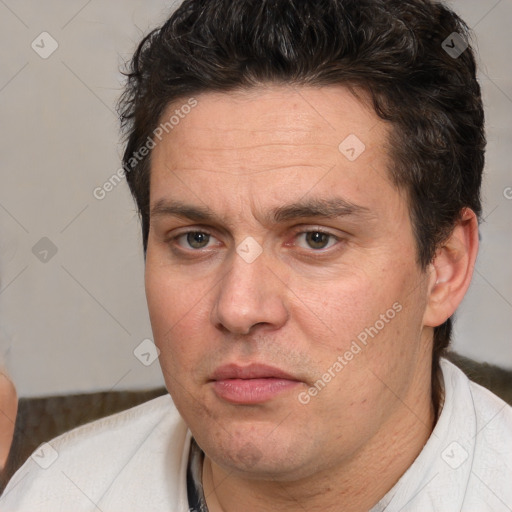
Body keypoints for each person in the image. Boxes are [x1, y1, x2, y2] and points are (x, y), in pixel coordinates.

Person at [1, 0, 511, 510]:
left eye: (316, 238)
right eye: (196, 238)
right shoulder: (57, 493)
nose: (239, 309)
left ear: (444, 268)